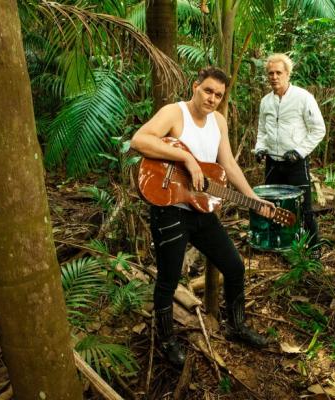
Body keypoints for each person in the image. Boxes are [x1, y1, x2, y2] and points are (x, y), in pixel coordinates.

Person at [131, 67, 272, 367]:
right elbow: (139, 140)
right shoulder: (174, 113)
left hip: (202, 209)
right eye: (207, 91)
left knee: (234, 266)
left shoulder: (218, 120)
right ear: (195, 86)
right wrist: (187, 158)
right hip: (170, 208)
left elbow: (229, 164)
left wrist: (253, 199)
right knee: (168, 279)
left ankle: (236, 326)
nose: (212, 98)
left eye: (218, 95)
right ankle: (167, 341)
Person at [255, 53, 326, 250]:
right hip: (272, 163)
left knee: (303, 207)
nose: (274, 77)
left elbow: (319, 129)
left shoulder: (303, 98)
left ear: (288, 74)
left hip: (295, 163)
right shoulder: (265, 102)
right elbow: (262, 130)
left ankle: (313, 249)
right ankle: (279, 245)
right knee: (272, 206)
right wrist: (260, 148)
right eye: (271, 73)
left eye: (278, 72)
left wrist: (299, 151)